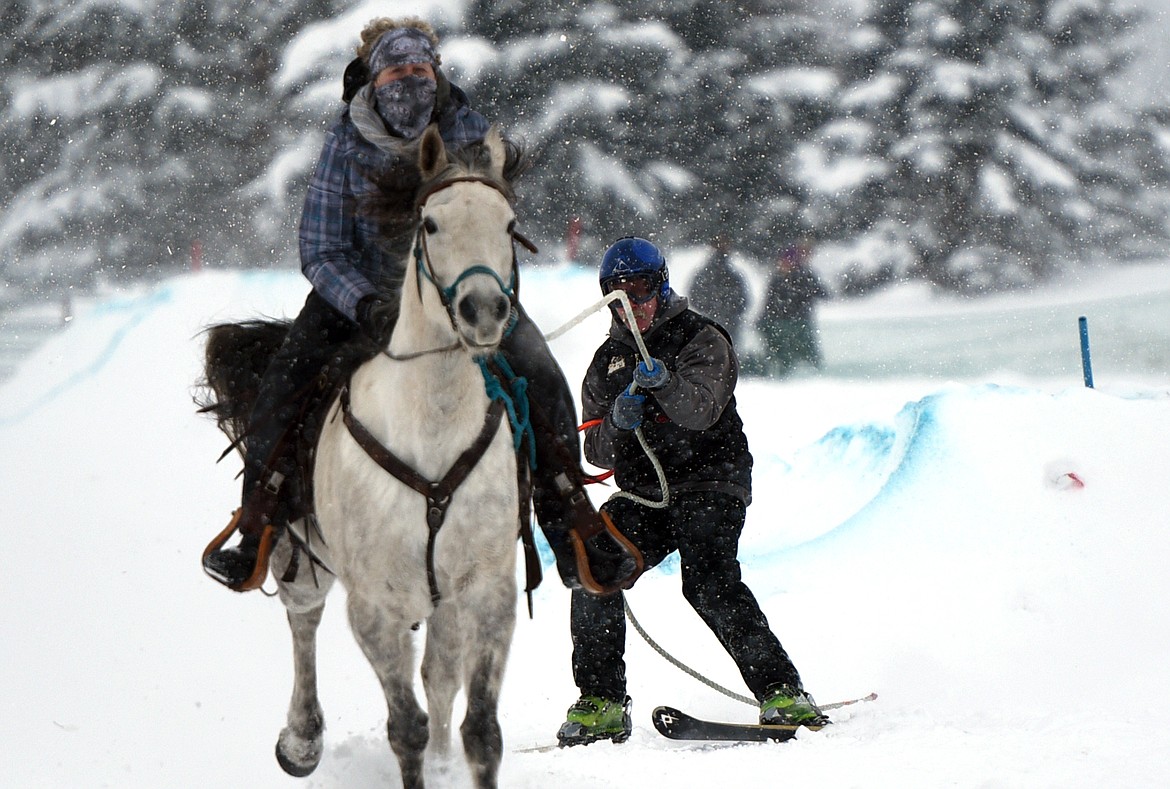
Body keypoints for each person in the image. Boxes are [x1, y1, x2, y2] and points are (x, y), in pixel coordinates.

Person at [202, 17, 636, 595]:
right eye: (396, 70)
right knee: (286, 382)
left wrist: (495, 295)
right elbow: (320, 249)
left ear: (434, 71)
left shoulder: (470, 132)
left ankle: (572, 525)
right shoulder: (345, 140)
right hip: (356, 298)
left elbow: (492, 231)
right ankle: (255, 525)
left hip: (460, 297)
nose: (409, 81)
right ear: (374, 78)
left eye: (419, 68)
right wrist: (366, 305)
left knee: (541, 377)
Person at [556, 236, 826, 746]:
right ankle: (603, 702)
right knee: (592, 568)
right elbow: (597, 452)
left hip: (710, 479)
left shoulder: (701, 338)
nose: (631, 302)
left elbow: (700, 412)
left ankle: (783, 692)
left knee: (707, 582)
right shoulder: (605, 363)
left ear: (660, 286)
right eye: (618, 292)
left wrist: (663, 386)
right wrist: (615, 421)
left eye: (639, 289)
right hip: (645, 493)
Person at [757, 240, 829, 377]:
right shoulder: (779, 278)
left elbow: (821, 293)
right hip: (781, 322)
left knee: (803, 352)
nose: (783, 264)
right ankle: (785, 376)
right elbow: (769, 302)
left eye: (786, 261)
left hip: (797, 322)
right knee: (784, 354)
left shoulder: (803, 276)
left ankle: (810, 377)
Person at [686, 234, 749, 346]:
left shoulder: (706, 274)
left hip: (719, 322)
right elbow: (743, 301)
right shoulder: (727, 274)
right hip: (721, 322)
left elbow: (743, 301)